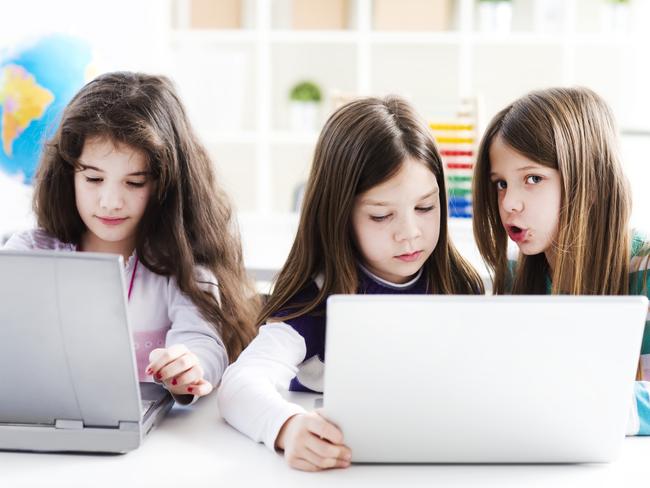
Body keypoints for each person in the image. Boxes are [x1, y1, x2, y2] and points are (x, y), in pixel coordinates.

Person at [217, 95, 484, 471]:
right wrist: (287, 427)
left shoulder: (460, 287)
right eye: (381, 215)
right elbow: (239, 386)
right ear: (338, 215)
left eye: (426, 207)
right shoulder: (315, 301)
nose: (410, 234)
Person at [3, 71, 260, 404]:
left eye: (134, 182)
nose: (111, 201)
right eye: (94, 179)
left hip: (150, 444)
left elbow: (204, 345)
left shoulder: (183, 268)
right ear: (69, 174)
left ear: (165, 185)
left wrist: (188, 368)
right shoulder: (30, 253)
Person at [471, 86, 650, 435]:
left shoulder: (645, 269)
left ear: (593, 183)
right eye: (501, 184)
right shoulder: (511, 277)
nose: (509, 204)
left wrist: (582, 403)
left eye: (532, 179)